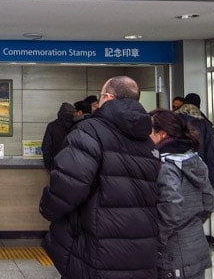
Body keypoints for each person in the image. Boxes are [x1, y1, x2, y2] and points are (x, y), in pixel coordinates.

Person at [39, 75, 160, 279]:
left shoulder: (89, 131)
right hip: (142, 247)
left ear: (107, 97)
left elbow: (66, 188)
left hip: (97, 245)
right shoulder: (148, 140)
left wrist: (46, 208)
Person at [149, 109, 214, 279]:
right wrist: (191, 224)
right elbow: (208, 200)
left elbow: (171, 205)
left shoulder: (166, 165)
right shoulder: (193, 159)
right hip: (195, 245)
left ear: (162, 133)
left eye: (149, 130)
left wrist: (157, 237)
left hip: (173, 253)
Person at [175, 93, 214, 190]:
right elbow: (212, 157)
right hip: (198, 178)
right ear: (198, 105)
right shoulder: (205, 125)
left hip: (173, 176)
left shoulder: (172, 121)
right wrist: (211, 186)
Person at [41, 102, 75, 170]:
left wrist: (48, 165)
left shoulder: (52, 126)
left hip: (56, 164)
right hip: (74, 165)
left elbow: (46, 146)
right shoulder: (77, 125)